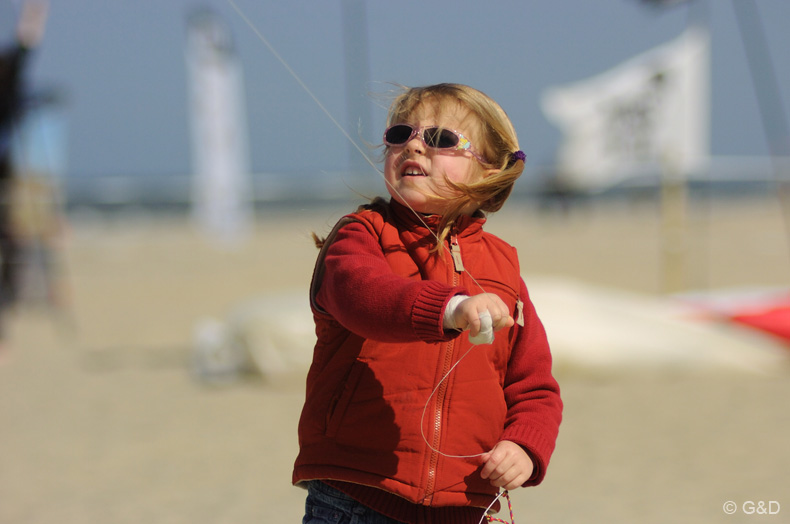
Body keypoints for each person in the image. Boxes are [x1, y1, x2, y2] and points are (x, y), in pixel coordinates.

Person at [293, 83, 563, 524]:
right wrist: (449, 308)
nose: (414, 144)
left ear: (489, 170)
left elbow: (534, 386)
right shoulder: (362, 235)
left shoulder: (504, 266)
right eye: (400, 134)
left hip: (465, 501)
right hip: (357, 490)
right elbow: (362, 295)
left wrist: (525, 446)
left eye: (440, 139)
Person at [0, 0, 48, 324]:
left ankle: (8, 302)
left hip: (4, 164)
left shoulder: (7, 65)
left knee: (12, 235)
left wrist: (36, 8)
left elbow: (27, 39)